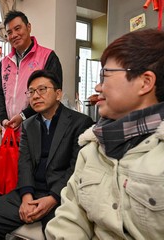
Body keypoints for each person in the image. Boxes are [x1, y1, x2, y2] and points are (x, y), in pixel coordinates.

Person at [45, 28, 164, 239]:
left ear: (145, 82)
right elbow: (71, 219)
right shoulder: (92, 149)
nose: (98, 86)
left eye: (105, 75)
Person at [0, 70, 93, 239]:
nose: (35, 96)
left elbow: (77, 168)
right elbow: (25, 164)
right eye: (31, 91)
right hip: (31, 190)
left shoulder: (80, 123)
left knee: (58, 235)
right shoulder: (29, 125)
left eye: (42, 89)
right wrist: (26, 197)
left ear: (58, 94)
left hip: (63, 194)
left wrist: (53, 198)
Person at [0, 10, 63, 138]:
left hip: (40, 134)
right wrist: (3, 120)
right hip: (10, 136)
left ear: (29, 27)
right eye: (9, 32)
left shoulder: (48, 57)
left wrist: (23, 116)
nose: (14, 35)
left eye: (17, 28)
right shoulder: (4, 64)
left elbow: (50, 96)